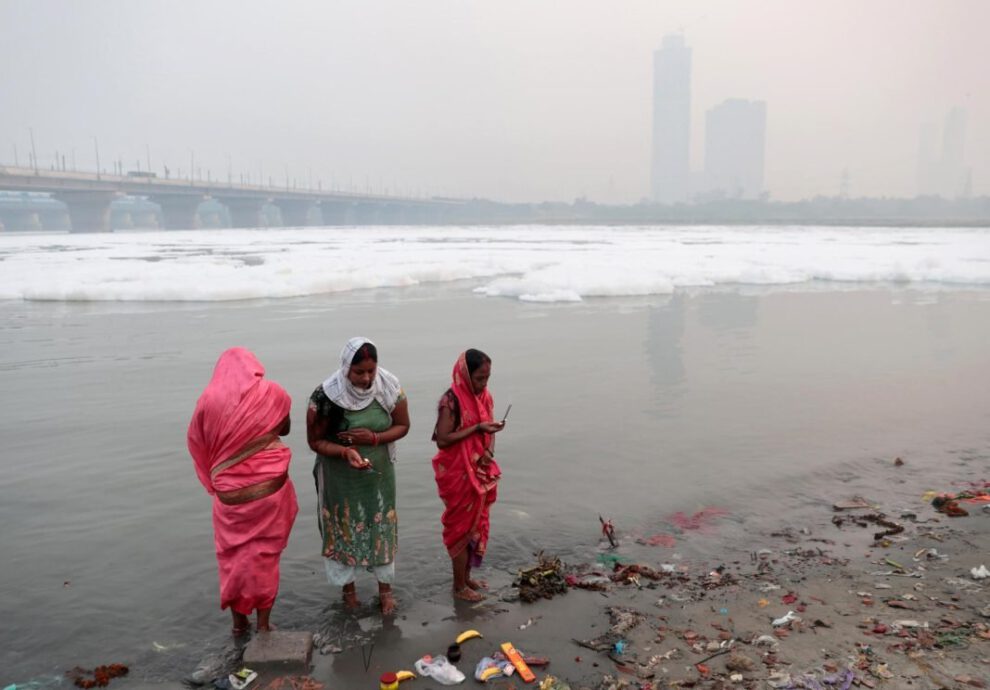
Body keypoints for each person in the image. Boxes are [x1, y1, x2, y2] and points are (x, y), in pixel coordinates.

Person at [187, 347, 298, 636]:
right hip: (269, 489)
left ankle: (238, 623)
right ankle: (263, 624)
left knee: (232, 557)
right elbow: (284, 428)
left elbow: (196, 444)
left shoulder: (206, 401)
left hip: (229, 494)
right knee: (264, 556)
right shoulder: (272, 392)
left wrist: (212, 483)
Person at [307, 337, 410, 615]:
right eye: (359, 372)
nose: (366, 378)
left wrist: (375, 438)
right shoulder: (325, 396)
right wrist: (345, 452)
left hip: (378, 477)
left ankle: (385, 592)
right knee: (345, 529)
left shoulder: (389, 387)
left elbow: (403, 426)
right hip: (341, 481)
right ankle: (349, 594)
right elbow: (315, 442)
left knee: (380, 528)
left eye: (370, 371)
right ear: (345, 368)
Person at [431, 349, 505, 602]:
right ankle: (458, 586)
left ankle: (466, 577)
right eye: (479, 379)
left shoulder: (485, 397)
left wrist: (488, 451)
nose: (483, 384)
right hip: (458, 473)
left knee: (476, 526)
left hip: (479, 469)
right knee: (460, 528)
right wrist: (477, 429)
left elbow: (490, 430)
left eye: (487, 378)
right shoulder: (450, 401)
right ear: (465, 374)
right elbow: (443, 439)